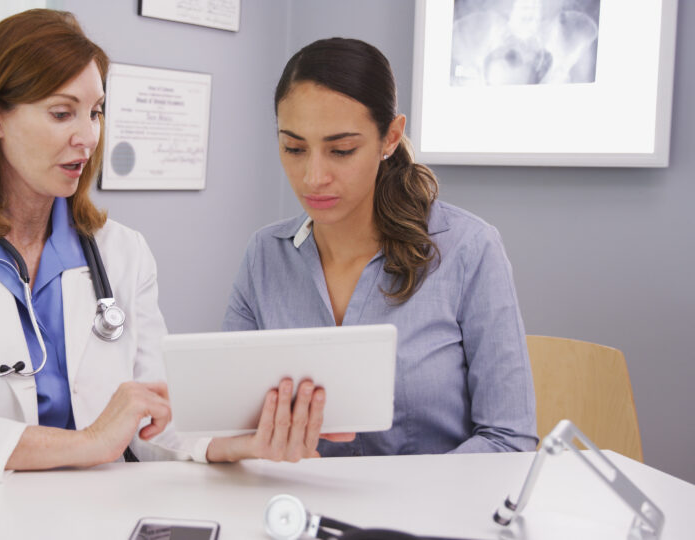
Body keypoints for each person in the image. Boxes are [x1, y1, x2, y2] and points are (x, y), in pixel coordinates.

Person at [0, 9, 327, 482]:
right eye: (61, 113)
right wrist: (87, 443)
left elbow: (157, 420)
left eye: (95, 112)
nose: (88, 136)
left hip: (97, 515)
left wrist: (233, 443)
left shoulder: (123, 254)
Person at [223, 38, 538, 456]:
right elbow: (226, 423)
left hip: (431, 514)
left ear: (390, 138)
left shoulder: (469, 249)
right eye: (294, 148)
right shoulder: (265, 253)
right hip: (294, 512)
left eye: (342, 150)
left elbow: (509, 440)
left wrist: (401, 501)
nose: (313, 177)